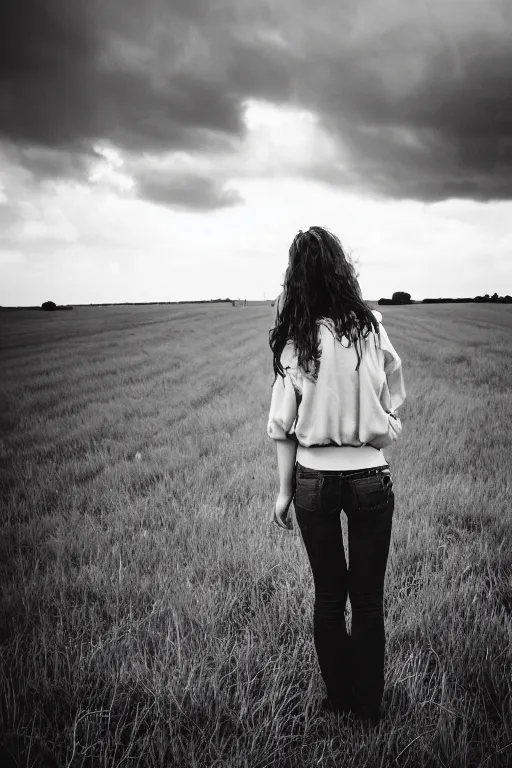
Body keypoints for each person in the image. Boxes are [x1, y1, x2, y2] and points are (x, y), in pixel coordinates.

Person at [267, 226, 406, 729]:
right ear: (340, 269)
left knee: (330, 596)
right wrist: (381, 423)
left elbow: (282, 429)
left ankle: (339, 700)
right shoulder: (370, 329)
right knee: (368, 599)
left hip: (313, 483)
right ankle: (369, 707)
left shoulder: (295, 342)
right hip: (371, 476)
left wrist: (284, 492)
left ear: (297, 280)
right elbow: (392, 388)